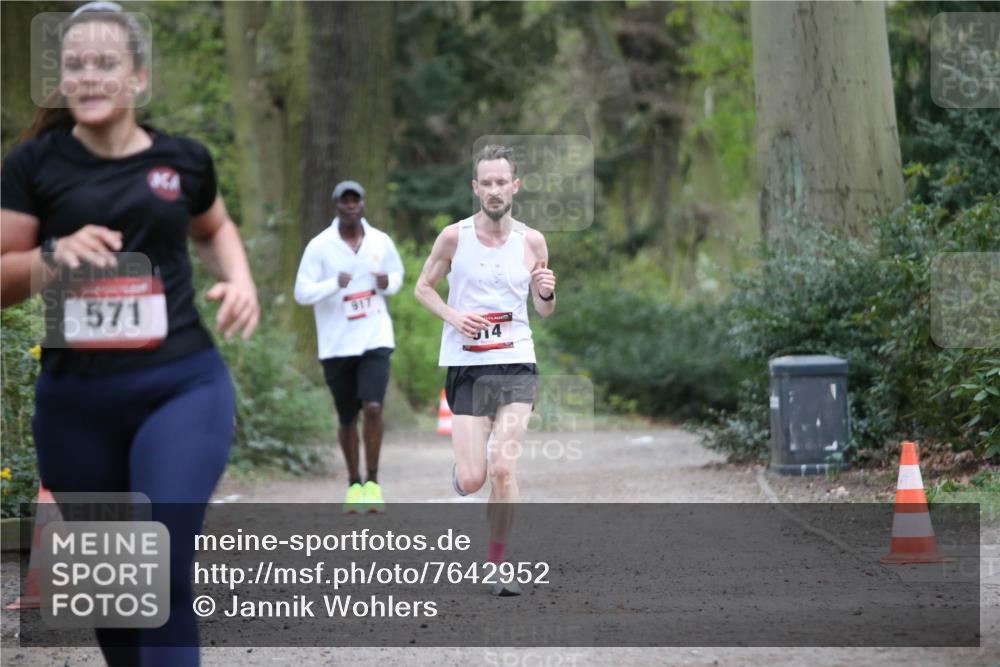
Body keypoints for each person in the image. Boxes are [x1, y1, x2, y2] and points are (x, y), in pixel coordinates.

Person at [0, 3, 259, 665]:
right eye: (74, 64)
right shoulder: (33, 166)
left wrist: (239, 279)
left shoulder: (183, 161)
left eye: (105, 63)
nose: (88, 76)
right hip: (76, 403)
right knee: (117, 593)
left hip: (181, 385)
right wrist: (51, 258)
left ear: (138, 78)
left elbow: (214, 227)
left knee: (161, 565)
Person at [414, 145, 556, 596]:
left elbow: (543, 309)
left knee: (503, 469)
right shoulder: (453, 238)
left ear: (515, 186)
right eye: (487, 183)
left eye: (502, 182)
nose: (495, 190)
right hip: (467, 366)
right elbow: (423, 287)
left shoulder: (532, 242)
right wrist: (454, 317)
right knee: (474, 477)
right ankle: (462, 474)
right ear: (476, 188)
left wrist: (546, 292)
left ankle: (497, 565)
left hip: (516, 361)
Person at [294, 180, 404, 513]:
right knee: (347, 417)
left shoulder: (380, 241)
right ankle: (354, 483)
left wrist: (387, 283)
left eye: (356, 201)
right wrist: (333, 284)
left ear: (364, 204)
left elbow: (397, 276)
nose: (351, 206)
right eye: (345, 201)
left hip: (375, 337)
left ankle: (373, 482)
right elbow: (301, 292)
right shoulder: (319, 246)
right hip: (336, 343)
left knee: (373, 407)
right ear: (336, 206)